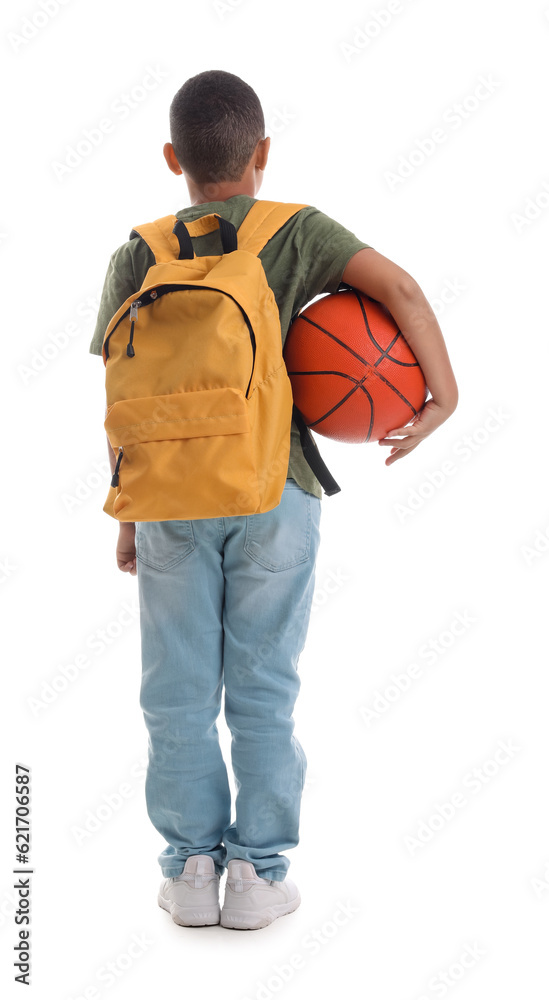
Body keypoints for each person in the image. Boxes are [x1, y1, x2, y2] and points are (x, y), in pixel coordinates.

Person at [89, 69, 458, 931]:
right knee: (263, 689)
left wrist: (126, 506)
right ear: (261, 155)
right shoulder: (298, 231)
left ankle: (188, 867)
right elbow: (400, 290)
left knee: (175, 691)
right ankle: (257, 875)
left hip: (171, 499)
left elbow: (120, 390)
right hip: (275, 493)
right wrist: (443, 399)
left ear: (173, 158)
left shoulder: (138, 251)